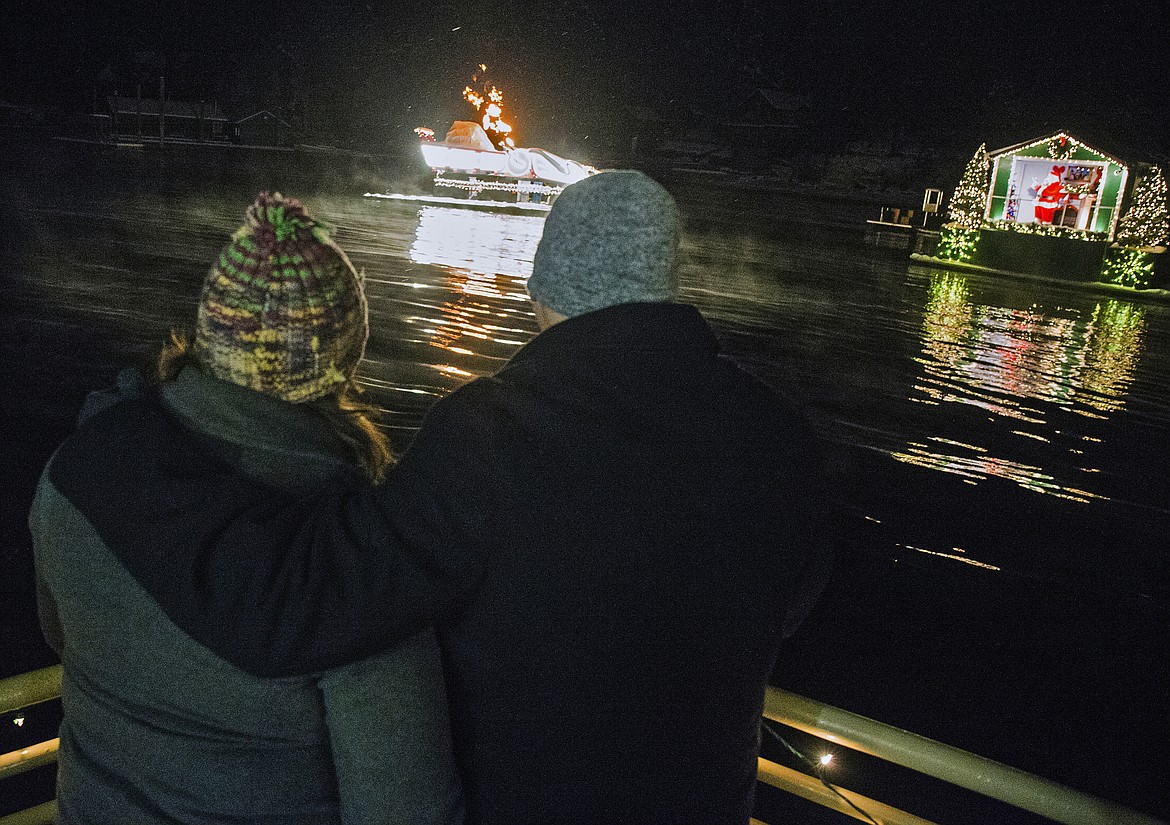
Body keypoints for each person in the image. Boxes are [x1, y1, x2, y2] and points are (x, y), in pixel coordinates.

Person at [47, 172, 832, 824]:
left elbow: (307, 599)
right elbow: (789, 604)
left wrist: (110, 449)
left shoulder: (487, 433)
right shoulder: (782, 438)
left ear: (542, 291)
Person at [30, 193, 463, 825]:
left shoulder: (78, 469)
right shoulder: (357, 561)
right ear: (343, 355)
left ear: (211, 331)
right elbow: (405, 807)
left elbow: (58, 633)